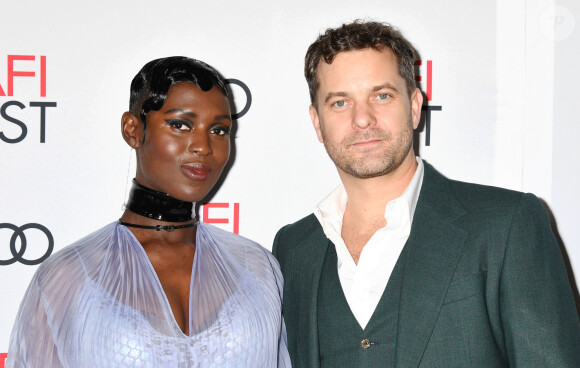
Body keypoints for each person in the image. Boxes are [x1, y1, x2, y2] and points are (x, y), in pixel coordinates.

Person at [273, 20, 580, 367]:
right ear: (317, 122)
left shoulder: (505, 225)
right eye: (340, 102)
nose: (362, 119)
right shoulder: (293, 248)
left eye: (382, 95)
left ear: (415, 106)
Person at [7, 56, 291, 367]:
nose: (203, 146)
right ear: (133, 129)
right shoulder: (69, 276)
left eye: (219, 130)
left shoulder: (256, 268)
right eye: (180, 124)